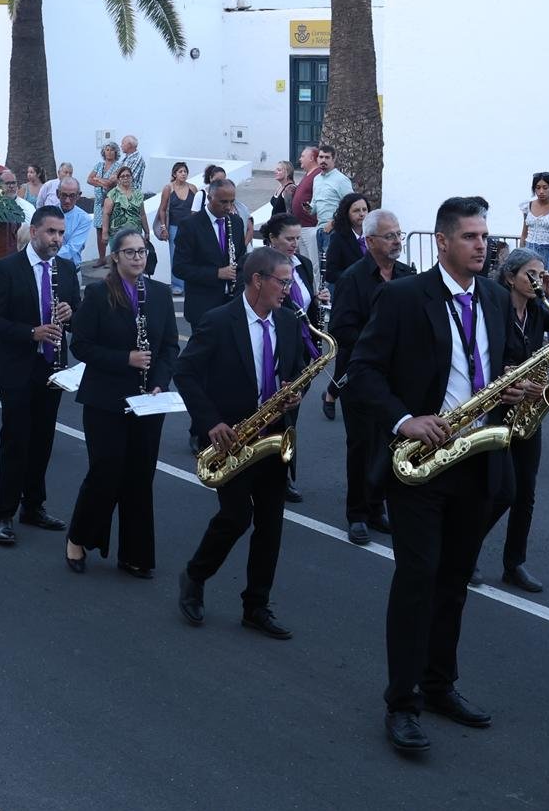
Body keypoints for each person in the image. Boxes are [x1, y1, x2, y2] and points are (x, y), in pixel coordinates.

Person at [343, 198, 514, 751]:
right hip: (419, 466)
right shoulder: (401, 297)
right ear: (442, 242)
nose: (481, 245)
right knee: (417, 582)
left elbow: (498, 364)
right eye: (469, 236)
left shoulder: (492, 294)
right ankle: (402, 702)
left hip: (477, 457)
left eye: (484, 236)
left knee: (455, 582)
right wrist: (403, 419)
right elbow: (362, 371)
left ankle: (441, 685)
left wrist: (516, 388)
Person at [174, 246, 306, 640]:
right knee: (235, 517)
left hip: (273, 436)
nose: (288, 289)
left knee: (271, 525)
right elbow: (186, 373)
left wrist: (295, 391)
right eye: (283, 281)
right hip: (232, 437)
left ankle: (256, 606)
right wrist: (210, 422)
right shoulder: (219, 321)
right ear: (257, 280)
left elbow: (295, 370)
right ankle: (195, 575)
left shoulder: (286, 322)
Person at [67, 226, 181, 577]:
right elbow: (81, 346)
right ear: (115, 256)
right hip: (106, 399)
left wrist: (160, 382)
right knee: (106, 471)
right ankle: (79, 538)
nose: (137, 257)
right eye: (129, 252)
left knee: (139, 476)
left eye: (142, 251)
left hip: (148, 401)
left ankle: (135, 554)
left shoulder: (159, 294)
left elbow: (169, 348)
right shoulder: (99, 294)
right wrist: (125, 359)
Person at [0, 206, 81, 545]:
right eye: (51, 232)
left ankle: (34, 506)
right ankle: (4, 513)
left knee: (42, 441)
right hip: (18, 369)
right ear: (35, 231)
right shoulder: (8, 268)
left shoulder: (66, 269)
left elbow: (78, 316)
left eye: (60, 233)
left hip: (52, 370)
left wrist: (71, 313)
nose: (57, 239)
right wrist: (31, 333)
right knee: (15, 442)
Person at [326, 208, 412, 544]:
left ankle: (377, 507)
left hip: (397, 378)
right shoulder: (353, 278)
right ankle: (357, 513)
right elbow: (341, 330)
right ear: (370, 240)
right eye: (390, 236)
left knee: (390, 444)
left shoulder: (406, 274)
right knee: (362, 445)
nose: (397, 241)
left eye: (399, 234)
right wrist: (380, 342)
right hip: (360, 376)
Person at [476, 246, 549, 594]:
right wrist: (506, 374)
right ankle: (464, 546)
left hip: (528, 409)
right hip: (498, 406)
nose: (537, 281)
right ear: (510, 277)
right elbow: (481, 355)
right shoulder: (495, 309)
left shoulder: (539, 309)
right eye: (531, 275)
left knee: (526, 492)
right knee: (501, 491)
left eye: (542, 274)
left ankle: (515, 563)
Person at [263, 212, 320, 503]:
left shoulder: (304, 265)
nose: (295, 244)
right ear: (273, 239)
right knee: (270, 412)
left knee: (290, 416)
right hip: (273, 348)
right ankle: (263, 471)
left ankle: (283, 474)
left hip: (301, 352)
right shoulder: (261, 268)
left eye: (298, 238)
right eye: (289, 238)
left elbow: (308, 309)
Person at [176, 179, 249, 330]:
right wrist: (216, 273)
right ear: (209, 198)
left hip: (231, 304)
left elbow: (241, 258)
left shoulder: (236, 222)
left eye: (231, 201)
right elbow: (180, 268)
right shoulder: (190, 225)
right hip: (203, 307)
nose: (228, 207)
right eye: (223, 202)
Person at [102, 165, 150, 269]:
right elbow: (106, 214)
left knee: (135, 261)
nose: (125, 178)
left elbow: (142, 214)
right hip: (116, 234)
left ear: (132, 177)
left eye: (128, 176)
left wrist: (147, 231)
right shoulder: (113, 194)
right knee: (118, 262)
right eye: (122, 176)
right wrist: (104, 233)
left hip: (135, 234)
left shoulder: (138, 194)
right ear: (118, 179)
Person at [161, 162, 197, 292]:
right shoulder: (168, 188)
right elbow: (163, 209)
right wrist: (164, 228)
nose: (183, 174)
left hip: (190, 228)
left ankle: (189, 283)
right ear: (174, 174)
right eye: (180, 171)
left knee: (190, 255)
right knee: (175, 255)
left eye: (185, 171)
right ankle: (177, 285)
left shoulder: (193, 188)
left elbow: (197, 208)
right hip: (174, 226)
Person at [321, 191, 371, 281]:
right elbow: (331, 273)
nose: (362, 214)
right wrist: (355, 277)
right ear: (346, 213)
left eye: (364, 209)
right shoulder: (338, 238)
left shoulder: (374, 235)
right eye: (356, 210)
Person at [517, 171, 549, 268]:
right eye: (538, 188)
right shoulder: (528, 206)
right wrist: (521, 252)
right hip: (529, 250)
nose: (541, 191)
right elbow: (524, 232)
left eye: (545, 188)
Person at [86, 139, 121, 260]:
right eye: (107, 149)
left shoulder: (119, 166)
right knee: (99, 230)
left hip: (111, 202)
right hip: (98, 203)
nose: (109, 152)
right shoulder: (99, 165)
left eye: (112, 150)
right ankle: (102, 259)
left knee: (112, 230)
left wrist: (98, 179)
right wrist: (102, 182)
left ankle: (114, 258)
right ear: (103, 152)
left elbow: (112, 183)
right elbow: (89, 179)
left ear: (116, 152)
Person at [54, 179, 94, 267]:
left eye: (72, 196)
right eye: (64, 195)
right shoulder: (48, 213)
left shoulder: (84, 219)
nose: (67, 201)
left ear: (78, 196)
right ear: (57, 194)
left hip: (71, 269)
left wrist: (45, 256)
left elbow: (72, 248)